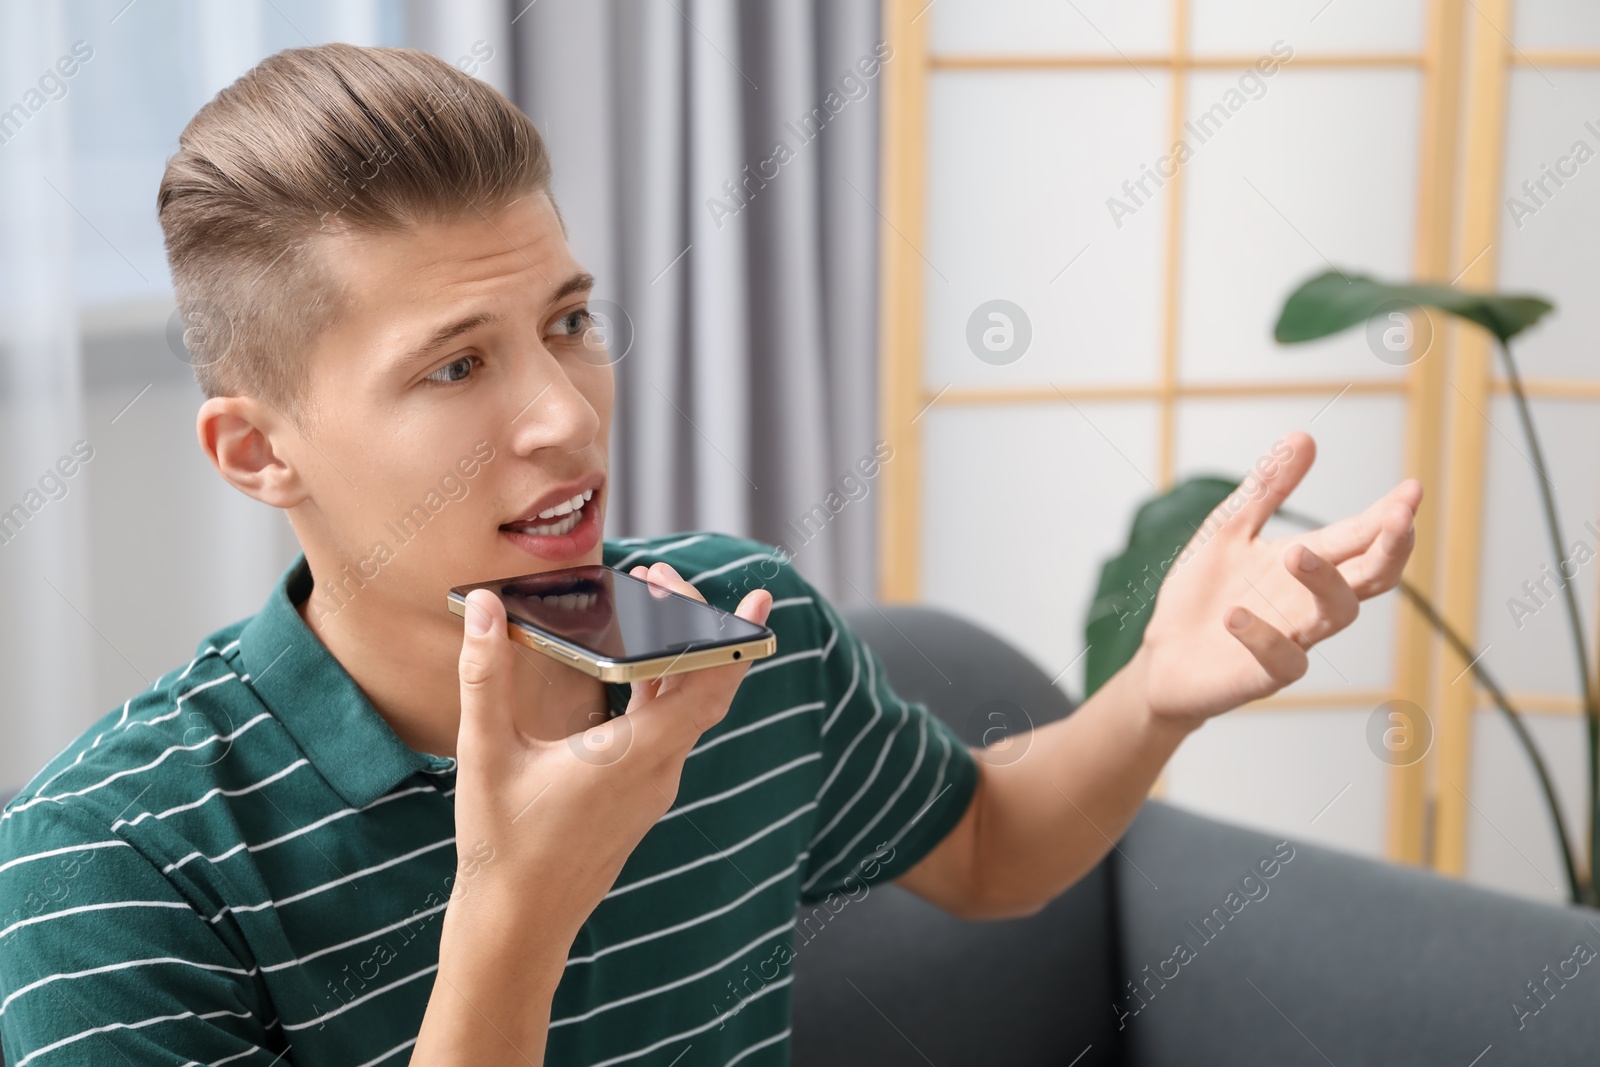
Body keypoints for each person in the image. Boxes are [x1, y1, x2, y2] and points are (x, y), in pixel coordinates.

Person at [0, 43, 1420, 1067]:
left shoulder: (737, 628)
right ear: (259, 453)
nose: (566, 414)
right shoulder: (106, 873)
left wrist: (1156, 691)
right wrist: (514, 916)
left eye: (570, 319)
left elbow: (986, 847)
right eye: (454, 369)